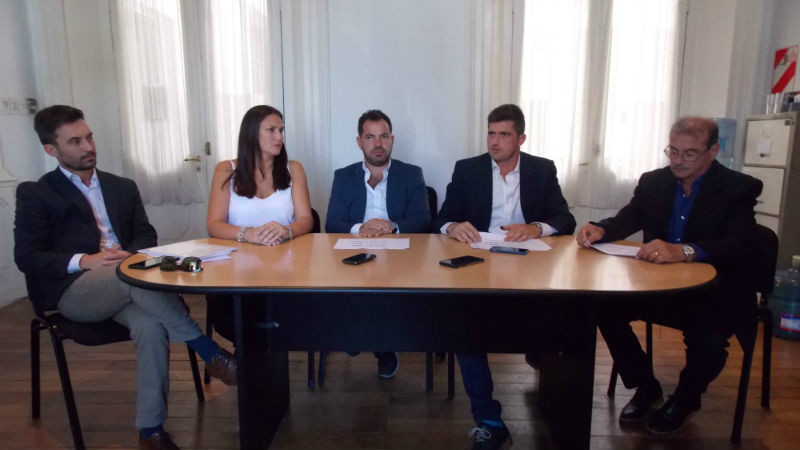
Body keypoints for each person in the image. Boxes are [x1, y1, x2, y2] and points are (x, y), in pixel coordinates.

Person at [14, 105, 237, 450]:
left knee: (151, 325)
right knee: (130, 278)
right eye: (75, 141)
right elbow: (27, 256)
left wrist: (129, 255)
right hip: (74, 291)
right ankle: (208, 351)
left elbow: (146, 235)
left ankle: (150, 430)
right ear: (50, 149)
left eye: (89, 137)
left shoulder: (121, 187)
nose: (88, 146)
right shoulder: (37, 193)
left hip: (126, 281)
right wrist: (86, 260)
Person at [576, 116, 762, 435]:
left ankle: (687, 398)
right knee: (604, 307)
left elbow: (738, 244)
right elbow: (630, 217)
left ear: (713, 151)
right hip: (659, 286)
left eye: (689, 153)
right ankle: (645, 385)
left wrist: (686, 250)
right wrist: (602, 229)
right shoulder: (654, 181)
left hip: (713, 290)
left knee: (709, 339)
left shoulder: (739, 188)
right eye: (672, 151)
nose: (677, 160)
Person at [433, 104, 575, 450]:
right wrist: (454, 226)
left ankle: (544, 363)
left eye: (504, 135)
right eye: (491, 134)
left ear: (521, 139)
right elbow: (441, 217)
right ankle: (489, 420)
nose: (494, 142)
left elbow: (565, 219)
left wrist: (536, 227)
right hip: (478, 265)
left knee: (561, 319)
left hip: (529, 266)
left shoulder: (542, 169)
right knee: (467, 331)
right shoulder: (468, 169)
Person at [325, 109, 430, 378]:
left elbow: (422, 220)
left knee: (382, 287)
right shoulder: (344, 176)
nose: (378, 144)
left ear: (392, 140)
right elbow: (332, 223)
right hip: (354, 253)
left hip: (399, 256)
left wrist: (391, 226)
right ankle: (378, 345)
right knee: (354, 284)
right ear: (359, 142)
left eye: (384, 136)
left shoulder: (411, 174)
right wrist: (361, 228)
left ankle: (362, 338)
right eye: (370, 137)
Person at [205, 105, 314, 340]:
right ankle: (249, 354)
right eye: (271, 130)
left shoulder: (294, 169)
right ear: (252, 133)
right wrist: (248, 234)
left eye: (281, 130)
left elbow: (306, 219)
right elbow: (214, 224)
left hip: (286, 268)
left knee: (288, 314)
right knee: (236, 318)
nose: (279, 137)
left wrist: (287, 230)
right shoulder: (226, 170)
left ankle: (265, 350)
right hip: (238, 269)